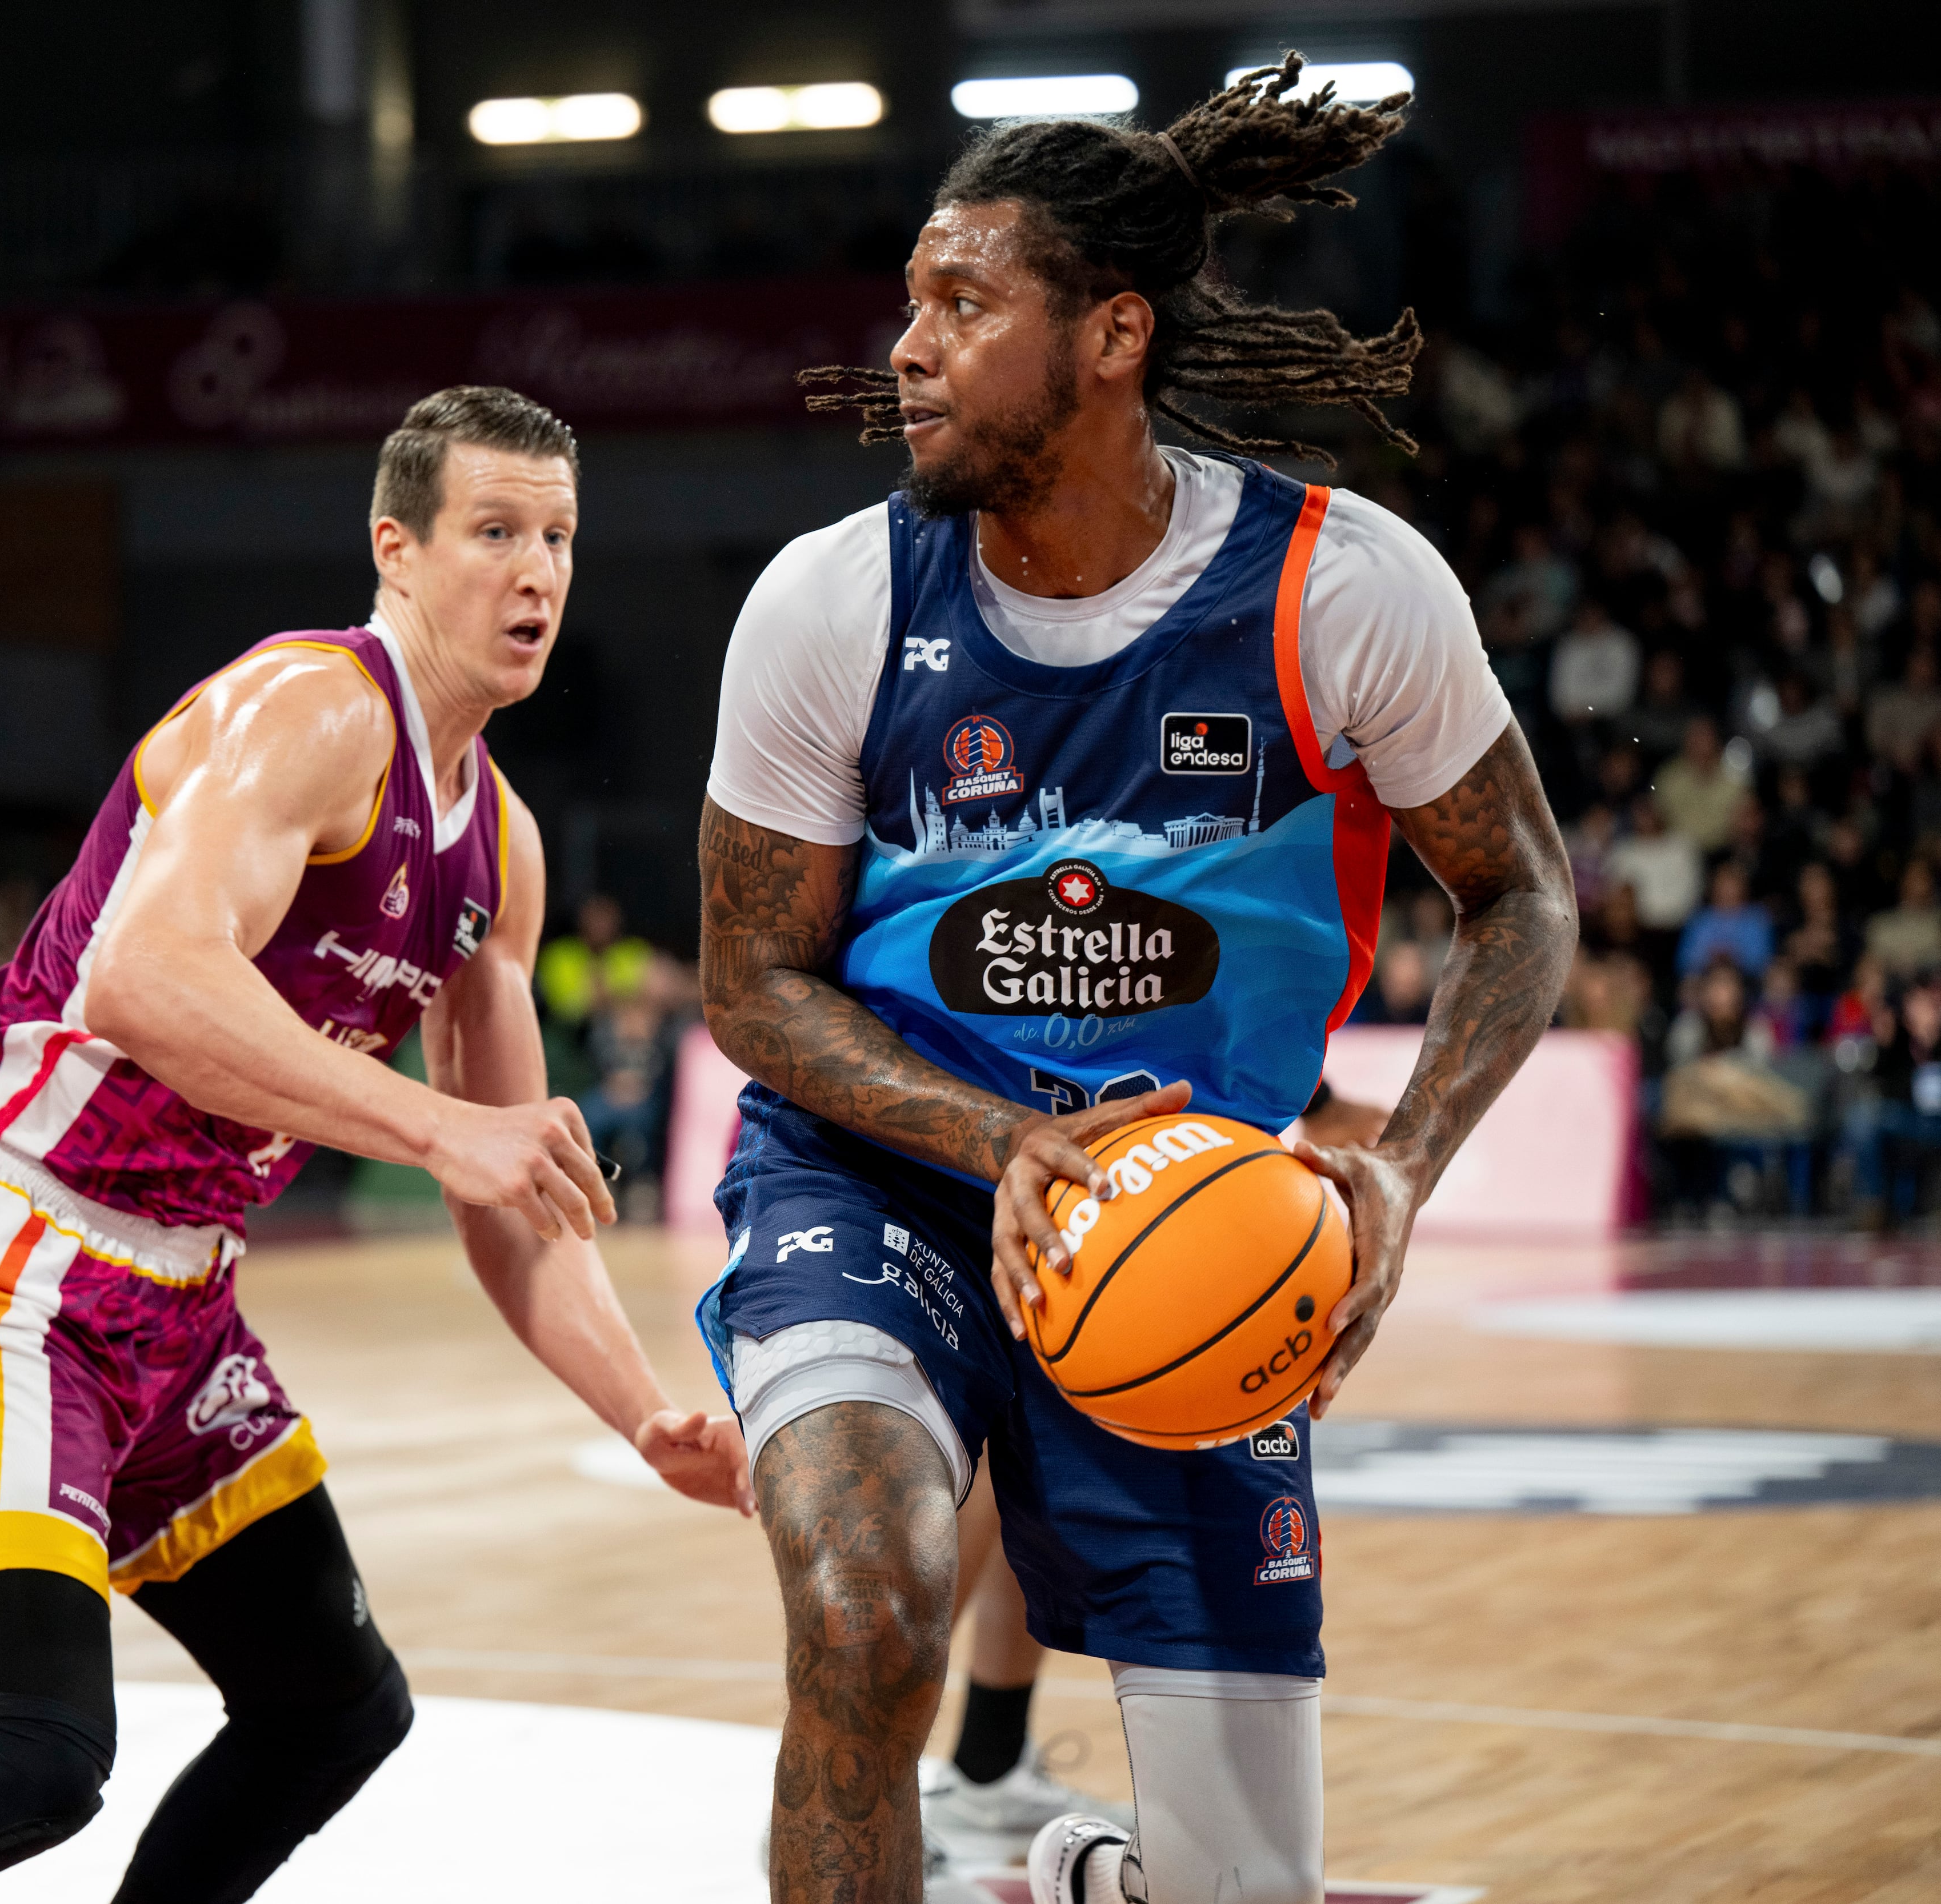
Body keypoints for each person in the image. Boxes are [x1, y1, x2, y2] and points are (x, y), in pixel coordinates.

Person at [0, 385, 750, 1904]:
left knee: (334, 1707)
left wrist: (647, 1416)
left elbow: (515, 1197)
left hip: (175, 1294)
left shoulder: (495, 840)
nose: (538, 572)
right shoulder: (311, 707)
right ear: (398, 546)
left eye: (561, 537)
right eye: (496, 530)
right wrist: (442, 1126)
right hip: (5, 1240)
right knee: (29, 1749)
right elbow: (144, 974)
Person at [696, 63, 1574, 1904]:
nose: (907, 346)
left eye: (961, 304)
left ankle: (1096, 1871)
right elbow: (754, 985)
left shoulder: (1342, 593)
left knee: (1239, 1886)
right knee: (864, 1614)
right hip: (879, 1176)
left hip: (1187, 1214)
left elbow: (1519, 903)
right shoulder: (828, 601)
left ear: (1108, 334)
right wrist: (1002, 1135)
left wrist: (1398, 1165)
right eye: (910, 298)